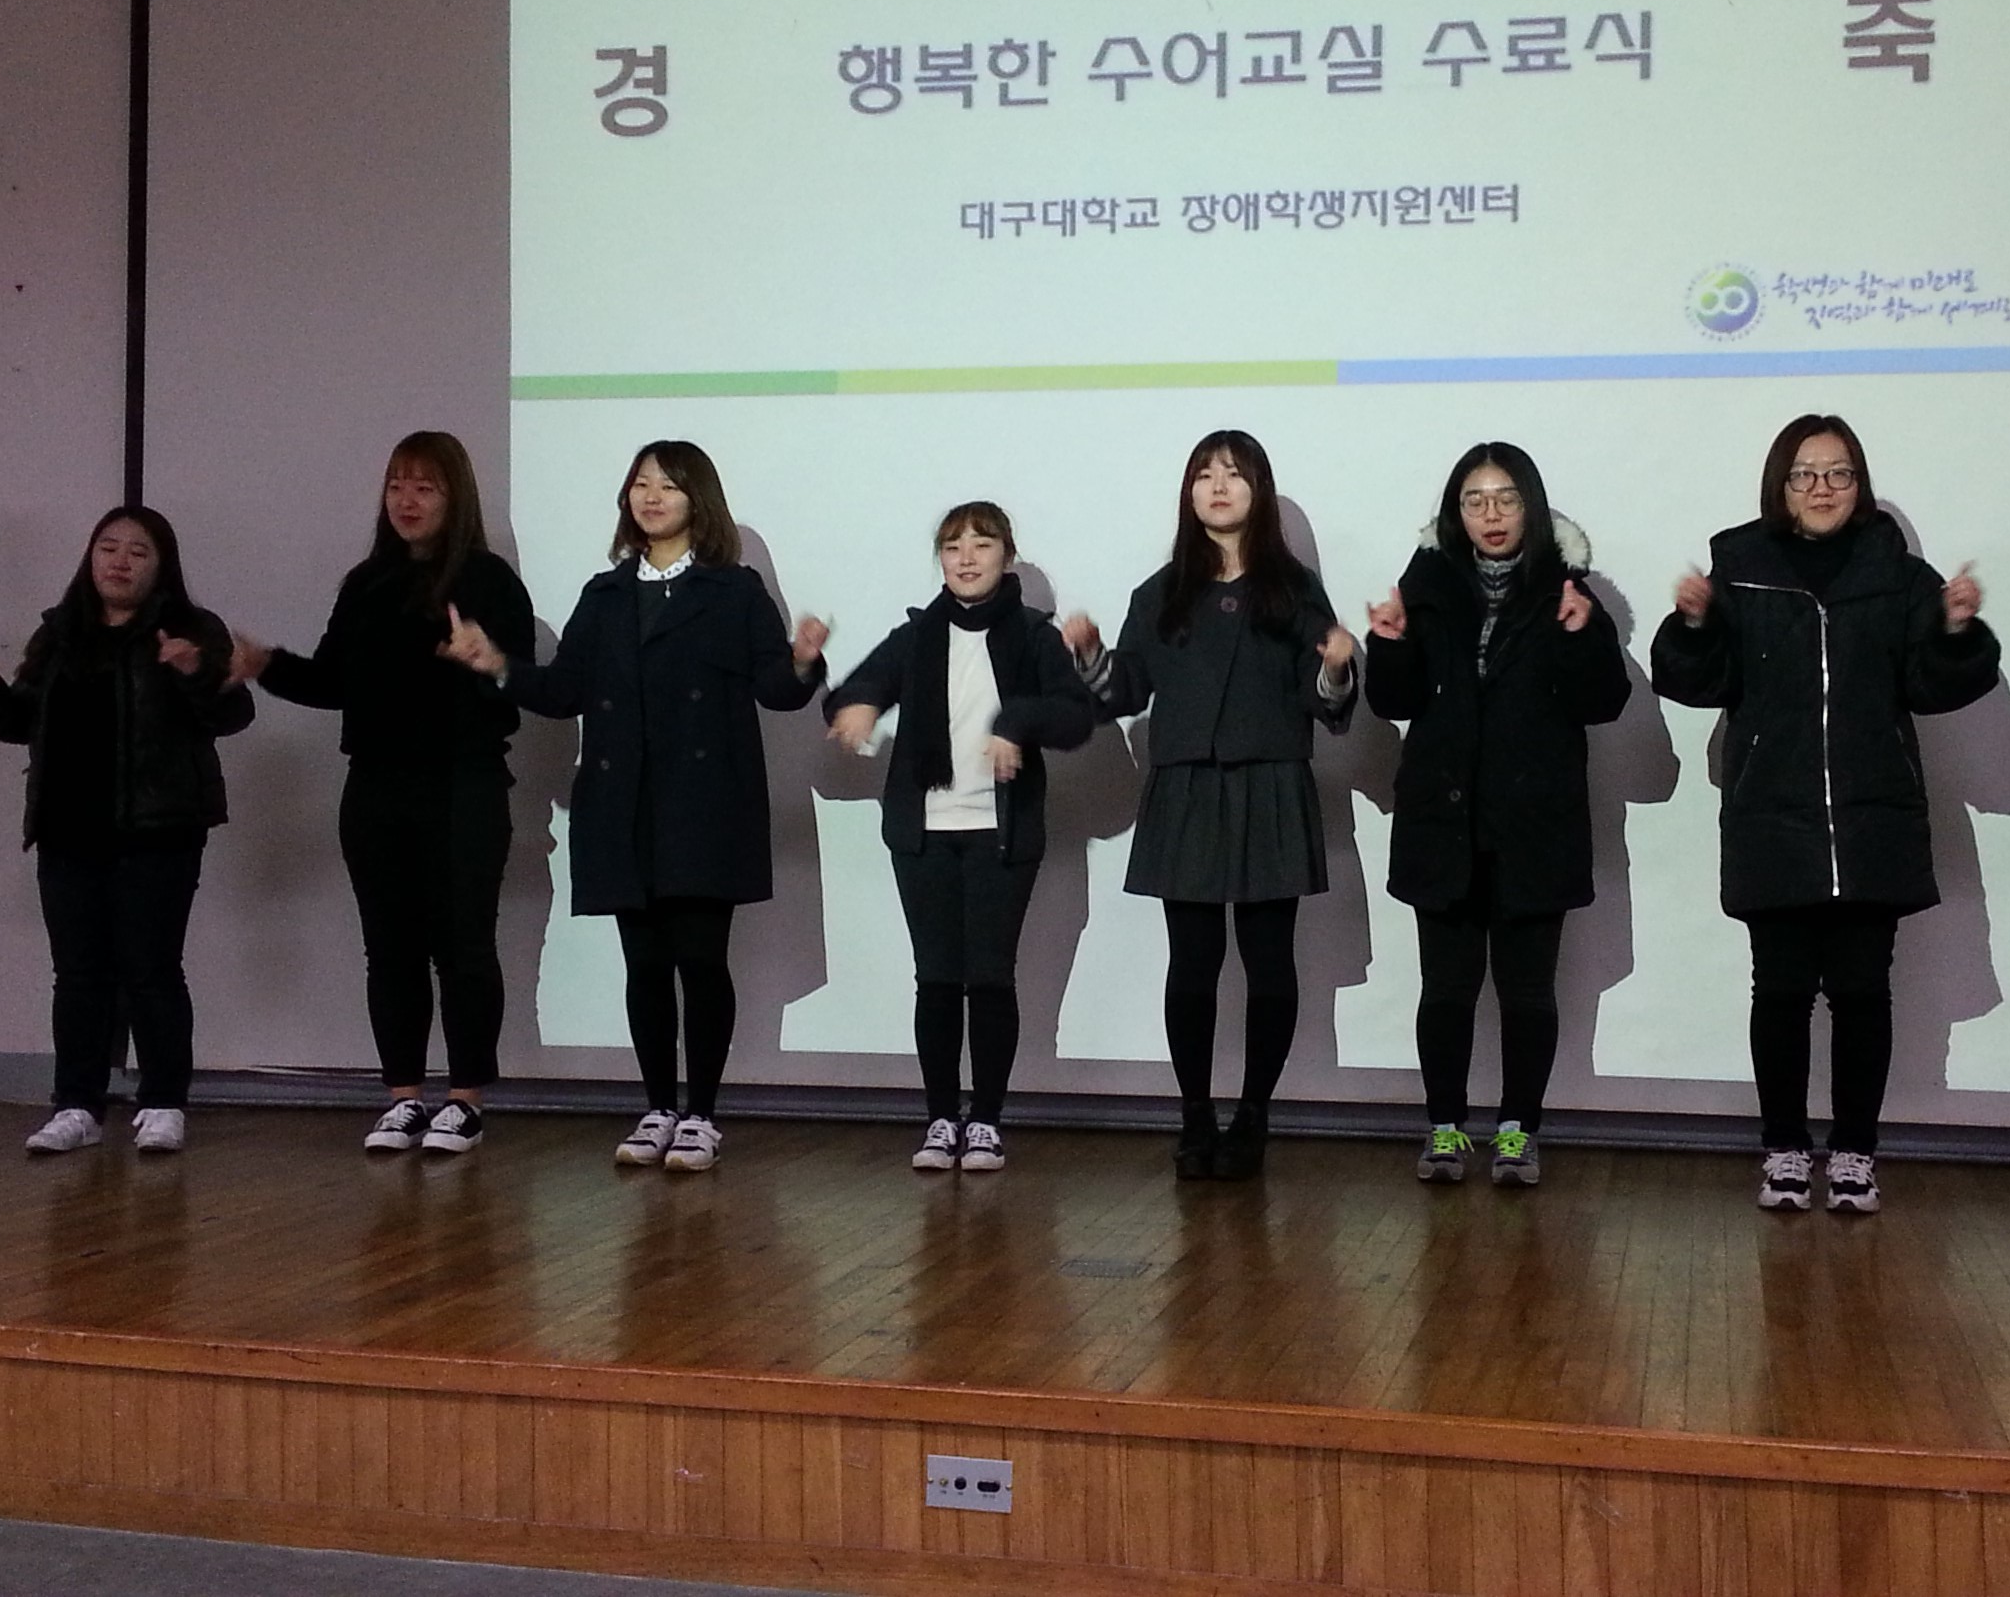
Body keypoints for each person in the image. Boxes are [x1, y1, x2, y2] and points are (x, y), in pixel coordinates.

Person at [439, 441, 827, 1172]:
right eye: (641, 484)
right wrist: (496, 665)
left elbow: (776, 689)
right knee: (644, 965)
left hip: (706, 806)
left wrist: (804, 661)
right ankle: (657, 1109)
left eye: (669, 486)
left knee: (700, 962)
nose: (651, 497)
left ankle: (701, 1115)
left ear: (698, 501)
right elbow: (565, 691)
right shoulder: (606, 594)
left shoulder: (735, 590)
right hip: (623, 803)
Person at [1650, 413, 1996, 1216]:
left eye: (1839, 473)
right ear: (1780, 485)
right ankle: (1781, 1149)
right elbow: (1698, 681)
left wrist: (1956, 630)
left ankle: (1854, 1155)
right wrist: (1695, 624)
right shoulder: (1741, 567)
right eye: (1804, 474)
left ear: (1859, 485)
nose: (1822, 488)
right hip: (1773, 814)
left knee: (1862, 994)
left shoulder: (1899, 575)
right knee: (1779, 993)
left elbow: (1932, 686)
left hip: (1872, 819)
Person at [1064, 429, 1357, 1182]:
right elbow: (1124, 692)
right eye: (1204, 474)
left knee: (1270, 963)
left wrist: (1335, 668)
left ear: (1259, 490)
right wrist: (1091, 657)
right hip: (1189, 786)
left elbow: (1325, 698)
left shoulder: (1293, 588)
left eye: (1233, 473)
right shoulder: (1161, 591)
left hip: (1269, 783)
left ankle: (1254, 1114)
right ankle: (1195, 1114)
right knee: (1192, 964)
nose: (1218, 487)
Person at [231, 432, 534, 1156]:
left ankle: (465, 1100)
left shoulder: (490, 582)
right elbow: (334, 682)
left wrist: (484, 663)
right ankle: (403, 1097)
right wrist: (265, 664)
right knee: (390, 949)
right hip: (375, 786)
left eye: (425, 487)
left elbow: (521, 688)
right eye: (397, 484)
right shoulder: (366, 584)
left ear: (455, 498)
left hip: (463, 786)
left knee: (462, 947)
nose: (407, 500)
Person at [0, 507, 253, 1155]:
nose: (119, 561)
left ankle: (163, 1102)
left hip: (159, 828)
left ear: (161, 565)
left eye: (138, 551)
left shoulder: (191, 629)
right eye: (108, 548)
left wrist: (194, 671)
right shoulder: (60, 631)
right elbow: (19, 722)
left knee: (151, 971)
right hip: (67, 828)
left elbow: (232, 714)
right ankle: (76, 1105)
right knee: (78, 975)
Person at [1363, 443, 1630, 1187]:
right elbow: (1394, 701)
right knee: (1445, 991)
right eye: (1475, 500)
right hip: (1443, 822)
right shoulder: (1424, 583)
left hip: (1533, 824)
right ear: (1456, 512)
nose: (1491, 514)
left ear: (1531, 507)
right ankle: (1444, 1127)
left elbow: (1604, 701)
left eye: (1506, 498)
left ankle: (1519, 1131)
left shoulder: (1567, 588)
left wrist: (1581, 636)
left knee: (1528, 992)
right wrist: (1388, 645)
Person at [823, 502, 1099, 1173]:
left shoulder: (1033, 635)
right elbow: (853, 691)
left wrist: (1017, 723)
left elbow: (1074, 718)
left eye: (982, 543)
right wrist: (858, 704)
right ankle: (941, 1119)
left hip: (1000, 832)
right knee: (938, 980)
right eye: (952, 546)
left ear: (1008, 554)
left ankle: (987, 1122)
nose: (967, 557)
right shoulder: (918, 634)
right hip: (924, 833)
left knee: (990, 978)